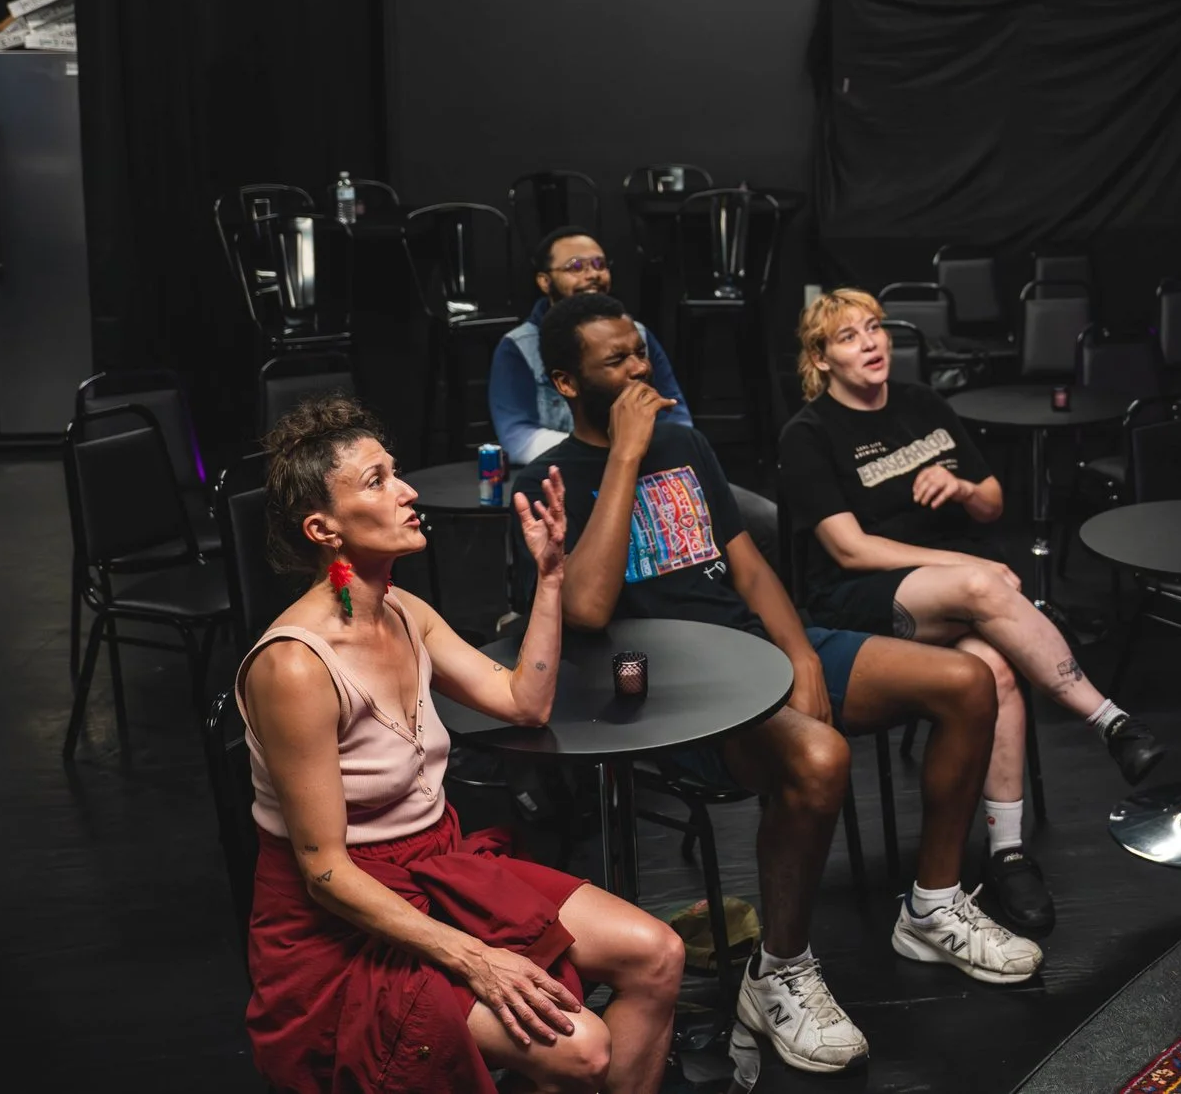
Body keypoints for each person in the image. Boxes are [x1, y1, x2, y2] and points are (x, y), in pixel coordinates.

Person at [514, 292, 1043, 1080]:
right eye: (615, 360)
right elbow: (587, 606)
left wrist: (797, 652)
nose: (639, 369)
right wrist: (625, 453)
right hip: (669, 687)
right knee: (821, 757)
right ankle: (778, 972)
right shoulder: (548, 477)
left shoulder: (687, 445)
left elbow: (748, 564)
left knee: (968, 681)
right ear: (565, 380)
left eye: (640, 351)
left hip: (755, 647)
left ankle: (932, 905)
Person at [239, 393, 683, 1094]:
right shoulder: (295, 664)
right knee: (585, 1048)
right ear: (323, 528)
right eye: (378, 480)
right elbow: (323, 870)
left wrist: (551, 578)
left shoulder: (404, 609)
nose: (408, 491)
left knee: (659, 952)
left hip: (436, 865)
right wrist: (476, 957)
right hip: (346, 921)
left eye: (397, 472)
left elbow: (524, 702)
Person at [776, 288, 1168, 935]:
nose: (871, 343)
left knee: (995, 671)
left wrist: (959, 486)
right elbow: (848, 548)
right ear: (820, 358)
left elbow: (990, 502)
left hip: (944, 587)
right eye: (849, 336)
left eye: (875, 328)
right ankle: (1111, 721)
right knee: (988, 591)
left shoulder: (923, 404)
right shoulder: (810, 433)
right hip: (860, 599)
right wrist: (967, 569)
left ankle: (1008, 852)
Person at [491, 227, 777, 548]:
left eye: (599, 264)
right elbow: (517, 437)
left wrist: (638, 452)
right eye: (576, 266)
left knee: (766, 520)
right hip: (569, 478)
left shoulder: (635, 333)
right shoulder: (518, 346)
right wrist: (611, 451)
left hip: (652, 468)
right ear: (545, 281)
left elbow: (676, 416)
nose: (592, 274)